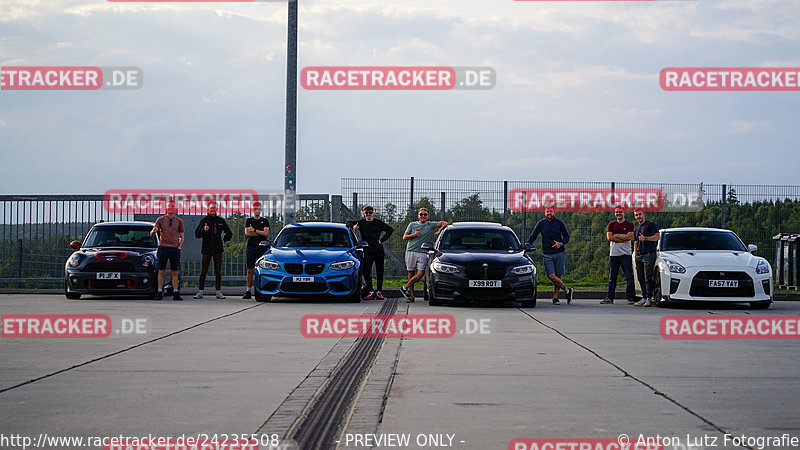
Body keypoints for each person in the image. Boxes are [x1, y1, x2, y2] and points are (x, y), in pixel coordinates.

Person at [527, 207, 573, 305]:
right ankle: (567, 290)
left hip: (559, 252)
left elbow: (566, 237)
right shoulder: (541, 223)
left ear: (554, 212)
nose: (549, 213)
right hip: (547, 254)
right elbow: (533, 235)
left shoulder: (559, 223)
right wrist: (527, 244)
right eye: (547, 211)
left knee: (558, 275)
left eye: (551, 211)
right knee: (551, 275)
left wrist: (560, 243)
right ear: (544, 213)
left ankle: (555, 298)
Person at [400, 208, 447, 303]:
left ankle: (404, 287)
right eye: (421, 214)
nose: (423, 216)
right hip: (411, 251)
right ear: (418, 216)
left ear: (428, 216)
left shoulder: (429, 225)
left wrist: (439, 231)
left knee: (420, 274)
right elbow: (405, 237)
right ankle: (411, 296)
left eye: (425, 215)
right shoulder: (412, 224)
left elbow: (444, 223)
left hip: (422, 252)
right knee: (411, 273)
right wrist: (414, 234)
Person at [347, 205, 394, 300]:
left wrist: (382, 240)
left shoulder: (378, 223)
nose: (368, 215)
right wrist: (354, 226)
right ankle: (370, 290)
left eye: (370, 213)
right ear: (364, 213)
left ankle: (379, 291)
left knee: (379, 271)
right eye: (366, 213)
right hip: (367, 249)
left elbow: (390, 229)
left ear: (373, 213)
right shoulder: (361, 222)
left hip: (378, 249)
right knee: (366, 271)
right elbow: (347, 222)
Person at [194, 202, 232, 299]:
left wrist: (224, 239)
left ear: (217, 210)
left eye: (214, 208)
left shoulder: (220, 220)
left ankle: (218, 291)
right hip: (206, 249)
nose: (213, 210)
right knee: (203, 271)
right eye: (211, 209)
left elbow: (229, 233)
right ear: (208, 210)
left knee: (218, 272)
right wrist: (204, 230)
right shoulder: (204, 221)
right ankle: (200, 291)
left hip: (218, 249)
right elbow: (197, 234)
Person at [150, 202, 184, 301]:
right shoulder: (160, 220)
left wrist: (179, 246)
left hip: (174, 248)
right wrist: (154, 231)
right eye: (169, 206)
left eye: (172, 207)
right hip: (163, 247)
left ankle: (175, 292)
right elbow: (152, 233)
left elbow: (182, 235)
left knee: (175, 271)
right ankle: (160, 291)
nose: (171, 208)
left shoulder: (179, 221)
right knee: (161, 271)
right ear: (166, 208)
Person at [601, 207, 635, 304]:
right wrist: (623, 238)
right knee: (612, 278)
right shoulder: (611, 224)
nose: (618, 214)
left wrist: (616, 236)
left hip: (626, 254)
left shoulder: (630, 225)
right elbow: (609, 237)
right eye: (616, 212)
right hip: (614, 255)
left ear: (624, 213)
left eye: (620, 212)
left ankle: (630, 297)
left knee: (629, 277)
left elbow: (630, 237)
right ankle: (609, 298)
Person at [633, 208, 660, 307]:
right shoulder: (636, 228)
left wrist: (646, 238)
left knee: (648, 277)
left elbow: (657, 236)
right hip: (639, 256)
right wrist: (636, 255)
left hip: (649, 254)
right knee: (641, 277)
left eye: (639, 214)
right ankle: (644, 297)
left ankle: (649, 298)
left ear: (644, 214)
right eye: (636, 215)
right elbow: (635, 242)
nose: (638, 217)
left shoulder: (651, 225)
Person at [243, 201, 270, 299]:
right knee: (250, 269)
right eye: (255, 208)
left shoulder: (265, 221)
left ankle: (262, 289)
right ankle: (248, 290)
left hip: (262, 247)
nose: (257, 210)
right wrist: (260, 232)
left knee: (262, 269)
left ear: (261, 210)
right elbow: (247, 233)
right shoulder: (249, 220)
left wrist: (254, 230)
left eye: (259, 208)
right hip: (251, 247)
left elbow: (265, 233)